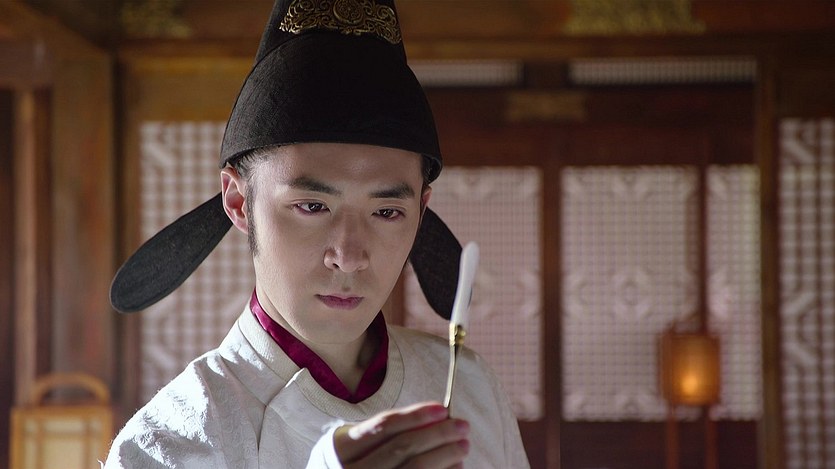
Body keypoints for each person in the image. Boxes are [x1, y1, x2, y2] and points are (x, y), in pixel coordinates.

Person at [105, 0, 529, 467]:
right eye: (312, 206)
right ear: (239, 201)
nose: (348, 256)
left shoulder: (470, 389)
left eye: (387, 211)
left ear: (420, 212)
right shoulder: (169, 443)